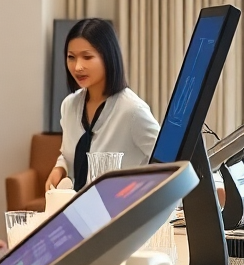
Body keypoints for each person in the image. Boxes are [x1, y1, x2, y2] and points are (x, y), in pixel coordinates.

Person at [46, 18, 160, 192]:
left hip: (122, 212)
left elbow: (172, 161)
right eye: (71, 57)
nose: (77, 67)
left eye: (87, 57)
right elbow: (68, 153)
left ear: (108, 57)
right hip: (79, 210)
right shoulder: (69, 105)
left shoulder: (132, 111)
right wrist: (59, 168)